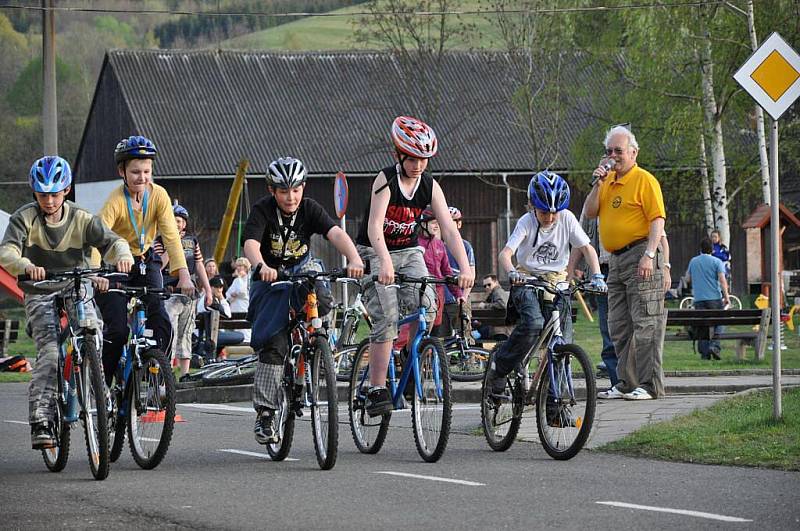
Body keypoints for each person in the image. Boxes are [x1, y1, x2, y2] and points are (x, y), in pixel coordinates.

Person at [0, 156, 133, 449]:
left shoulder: (81, 218)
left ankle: (99, 392)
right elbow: (6, 252)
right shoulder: (23, 218)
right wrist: (25, 264)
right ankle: (42, 419)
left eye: (55, 193)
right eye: (43, 194)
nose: (49, 200)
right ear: (34, 192)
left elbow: (112, 241)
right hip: (39, 288)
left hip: (76, 284)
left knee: (93, 333)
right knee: (48, 351)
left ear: (67, 190)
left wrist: (122, 256)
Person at [355, 116, 474, 417]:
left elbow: (449, 230)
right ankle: (376, 387)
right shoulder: (385, 180)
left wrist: (466, 267)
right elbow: (374, 228)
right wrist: (382, 261)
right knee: (386, 314)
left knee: (428, 305)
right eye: (412, 159)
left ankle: (406, 351)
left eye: (424, 159)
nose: (418, 165)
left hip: (408, 251)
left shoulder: (429, 186)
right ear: (399, 155)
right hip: (375, 249)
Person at [243, 156, 363, 445]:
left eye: (295, 190)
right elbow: (251, 244)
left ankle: (318, 341)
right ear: (272, 191)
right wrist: (261, 267)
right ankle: (266, 414)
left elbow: (335, 233)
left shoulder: (309, 208)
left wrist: (355, 258)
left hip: (302, 268)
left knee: (322, 294)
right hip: (272, 275)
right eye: (284, 191)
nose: (290, 197)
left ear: (303, 188)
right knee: (274, 342)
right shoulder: (262, 210)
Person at [486, 171, 605, 395]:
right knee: (533, 324)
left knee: (563, 343)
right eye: (543, 212)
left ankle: (555, 405)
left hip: (557, 282)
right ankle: (499, 367)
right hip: (526, 280)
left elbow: (588, 248)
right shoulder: (526, 222)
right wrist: (512, 272)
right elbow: (505, 254)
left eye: (554, 213)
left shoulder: (567, 218)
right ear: (532, 205)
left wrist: (597, 275)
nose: (549, 218)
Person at [93, 135, 194, 385]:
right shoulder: (115, 201)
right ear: (122, 172)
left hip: (145, 261)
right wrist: (96, 273)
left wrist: (183, 275)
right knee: (117, 331)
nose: (142, 177)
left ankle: (155, 374)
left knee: (160, 320)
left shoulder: (158, 195)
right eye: (135, 172)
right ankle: (103, 383)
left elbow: (171, 236)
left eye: (147, 171)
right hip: (114, 265)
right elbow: (96, 236)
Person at [584, 125, 670, 401]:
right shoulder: (607, 181)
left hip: (640, 253)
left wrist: (650, 255)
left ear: (633, 152)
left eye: (618, 151)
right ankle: (626, 383)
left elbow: (657, 219)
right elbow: (589, 211)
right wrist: (598, 182)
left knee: (646, 323)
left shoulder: (644, 180)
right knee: (618, 325)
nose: (613, 156)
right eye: (608, 151)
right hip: (615, 260)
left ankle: (649, 385)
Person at [154, 203, 213, 378]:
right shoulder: (159, 241)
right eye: (173, 220)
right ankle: (167, 372)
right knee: (170, 332)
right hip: (169, 293)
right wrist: (173, 246)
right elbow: (159, 265)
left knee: (186, 332)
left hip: (188, 294)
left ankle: (184, 373)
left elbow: (200, 265)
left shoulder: (192, 241)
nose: (176, 223)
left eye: (179, 221)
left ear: (184, 224)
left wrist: (208, 290)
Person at [417, 207, 463, 336]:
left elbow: (447, 271)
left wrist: (458, 294)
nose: (437, 226)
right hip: (421, 292)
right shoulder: (415, 243)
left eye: (439, 223)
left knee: (435, 334)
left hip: (439, 293)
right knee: (419, 330)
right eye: (433, 223)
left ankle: (430, 355)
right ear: (423, 223)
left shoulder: (439, 244)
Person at [686, 238, 730, 360]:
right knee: (721, 321)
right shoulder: (717, 261)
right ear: (712, 249)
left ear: (700, 248)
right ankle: (714, 345)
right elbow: (722, 280)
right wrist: (726, 297)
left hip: (699, 299)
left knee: (703, 325)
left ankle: (705, 354)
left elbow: (687, 279)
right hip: (714, 298)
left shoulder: (693, 261)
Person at [442, 206, 476, 336]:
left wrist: (464, 297)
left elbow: (471, 275)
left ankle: (468, 356)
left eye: (453, 222)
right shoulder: (438, 245)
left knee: (464, 335)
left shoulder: (465, 246)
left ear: (459, 224)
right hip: (442, 298)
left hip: (459, 297)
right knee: (442, 337)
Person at [196, 275, 244, 360]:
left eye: (221, 287)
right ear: (210, 287)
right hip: (207, 336)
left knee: (232, 335)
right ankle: (212, 357)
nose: (220, 290)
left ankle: (215, 357)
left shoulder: (208, 298)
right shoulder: (210, 300)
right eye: (217, 287)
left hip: (207, 334)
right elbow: (228, 315)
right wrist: (222, 298)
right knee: (240, 336)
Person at [226, 256, 252, 343]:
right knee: (236, 325)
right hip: (235, 305)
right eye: (238, 266)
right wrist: (232, 296)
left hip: (244, 305)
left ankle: (247, 341)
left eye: (242, 266)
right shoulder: (236, 280)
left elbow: (243, 291)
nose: (240, 268)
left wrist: (237, 293)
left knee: (244, 325)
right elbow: (228, 293)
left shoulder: (248, 279)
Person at [474, 274, 508, 340]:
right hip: (497, 327)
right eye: (484, 286)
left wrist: (485, 305)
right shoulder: (494, 293)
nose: (487, 287)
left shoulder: (498, 292)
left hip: (499, 330)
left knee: (473, 334)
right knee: (475, 329)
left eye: (489, 284)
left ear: (496, 282)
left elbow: (503, 305)